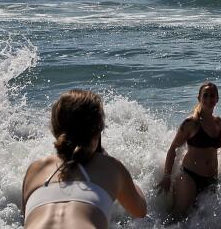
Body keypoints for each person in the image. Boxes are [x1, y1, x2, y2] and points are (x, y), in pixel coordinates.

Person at [22, 89, 148, 228]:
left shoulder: (36, 169)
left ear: (55, 128)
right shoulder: (110, 166)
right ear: (98, 131)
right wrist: (125, 177)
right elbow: (140, 211)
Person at [157, 82, 221, 217]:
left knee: (203, 219)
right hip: (190, 177)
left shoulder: (218, 122)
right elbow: (173, 148)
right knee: (179, 216)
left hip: (212, 179)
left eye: (212, 95)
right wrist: (167, 176)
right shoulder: (191, 123)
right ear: (199, 98)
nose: (209, 99)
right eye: (205, 95)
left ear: (217, 99)